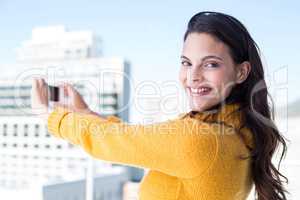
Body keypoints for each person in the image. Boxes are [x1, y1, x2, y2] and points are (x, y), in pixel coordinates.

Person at [31, 11, 289, 200]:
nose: (193, 76)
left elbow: (113, 140)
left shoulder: (202, 140)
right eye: (186, 62)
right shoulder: (237, 134)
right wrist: (86, 114)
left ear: (242, 72)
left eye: (210, 64)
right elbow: (131, 138)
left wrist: (49, 116)